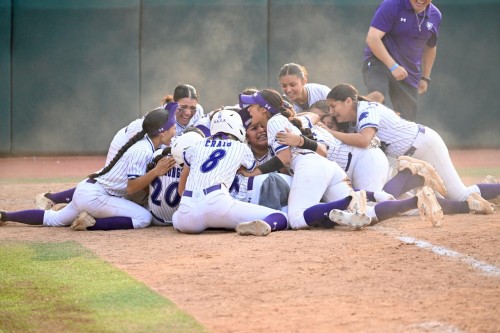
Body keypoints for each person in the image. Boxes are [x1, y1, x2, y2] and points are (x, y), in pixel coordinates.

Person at [238, 89, 447, 228]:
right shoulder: (290, 121)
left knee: (296, 219)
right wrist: (301, 140)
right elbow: (322, 150)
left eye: (253, 106)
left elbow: (284, 158)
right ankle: (415, 200)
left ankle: (354, 198)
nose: (249, 110)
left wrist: (253, 172)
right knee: (366, 214)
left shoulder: (274, 121)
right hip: (328, 167)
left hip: (314, 166)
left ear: (264, 109)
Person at [324, 83, 498, 212]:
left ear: (348, 101)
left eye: (333, 106)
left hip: (424, 146)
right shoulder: (354, 119)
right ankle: (483, 192)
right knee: (383, 194)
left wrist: (329, 133)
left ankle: (489, 190)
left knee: (459, 194)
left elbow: (364, 140)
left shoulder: (366, 109)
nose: (332, 111)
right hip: (404, 157)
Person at [1, 104, 179, 230]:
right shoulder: (142, 149)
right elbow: (132, 188)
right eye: (172, 127)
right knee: (144, 218)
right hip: (96, 197)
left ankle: (6, 216)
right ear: (161, 131)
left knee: (52, 219)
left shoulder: (145, 143)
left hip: (87, 189)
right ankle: (91, 224)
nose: (175, 131)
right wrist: (157, 172)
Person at [172, 109, 289, 236]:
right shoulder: (241, 147)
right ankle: (264, 224)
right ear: (237, 127)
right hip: (217, 202)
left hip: (187, 211)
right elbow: (249, 171)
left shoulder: (196, 145)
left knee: (176, 218)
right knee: (280, 216)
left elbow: (181, 189)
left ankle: (211, 224)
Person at [363, 0, 442, 121]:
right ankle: (363, 134)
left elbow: (430, 47)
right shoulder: (391, 5)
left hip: (408, 73)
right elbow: (372, 38)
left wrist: (425, 77)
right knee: (376, 97)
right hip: (379, 62)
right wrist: (393, 66)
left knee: (406, 122)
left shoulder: (435, 15)